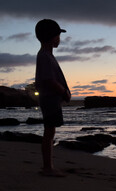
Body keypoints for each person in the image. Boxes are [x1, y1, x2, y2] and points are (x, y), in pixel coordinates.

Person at [35, 19, 71, 177]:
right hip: (49, 99)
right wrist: (64, 92)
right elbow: (48, 80)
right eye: (57, 35)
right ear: (50, 36)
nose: (59, 39)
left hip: (50, 99)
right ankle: (48, 167)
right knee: (49, 132)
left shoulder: (47, 55)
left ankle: (48, 166)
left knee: (50, 131)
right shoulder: (45, 56)